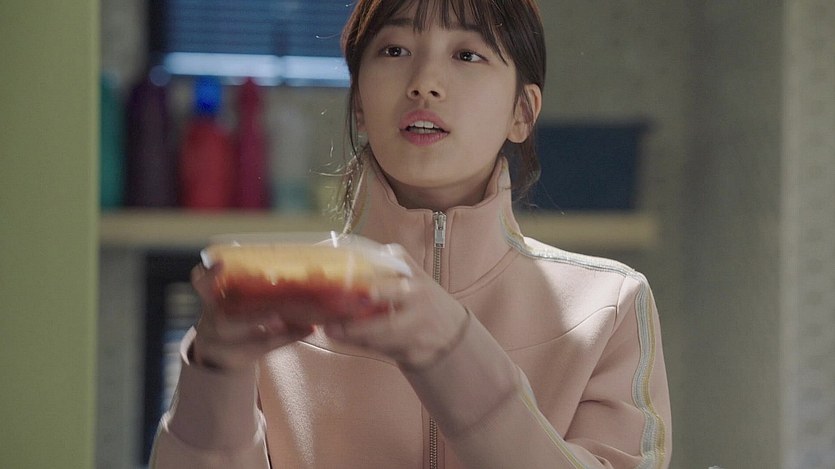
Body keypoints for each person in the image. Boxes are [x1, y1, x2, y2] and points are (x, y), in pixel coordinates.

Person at [150, 0, 672, 467]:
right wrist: (213, 373)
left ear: (523, 112)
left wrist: (452, 352)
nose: (424, 82)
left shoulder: (610, 305)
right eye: (395, 49)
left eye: (467, 54)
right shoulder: (278, 303)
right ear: (359, 104)